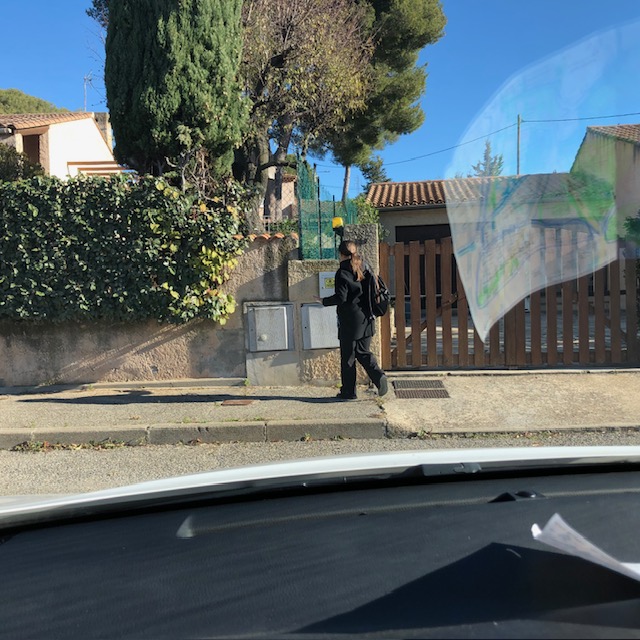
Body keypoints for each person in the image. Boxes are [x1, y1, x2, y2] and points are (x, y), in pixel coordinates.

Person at [314, 240, 388, 401]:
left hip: (350, 321)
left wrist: (323, 301)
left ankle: (349, 392)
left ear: (341, 254)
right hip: (368, 319)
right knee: (363, 352)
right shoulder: (365, 266)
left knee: (348, 357)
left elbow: (341, 298)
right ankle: (379, 376)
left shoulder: (342, 272)